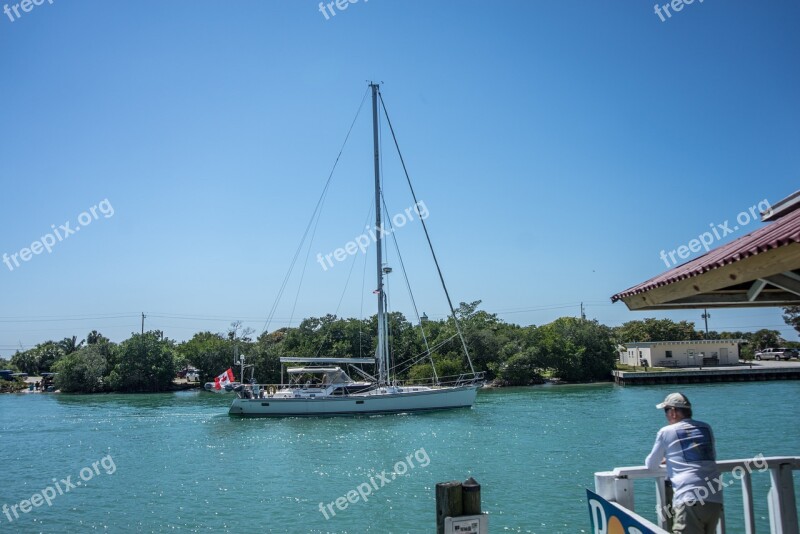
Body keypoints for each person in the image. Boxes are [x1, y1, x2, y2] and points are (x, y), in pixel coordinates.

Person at [645, 392, 723, 534]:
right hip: (714, 497)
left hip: (689, 498)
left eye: (666, 410)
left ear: (673, 412)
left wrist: (667, 458)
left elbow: (651, 464)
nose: (666, 415)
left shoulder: (666, 431)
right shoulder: (706, 428)